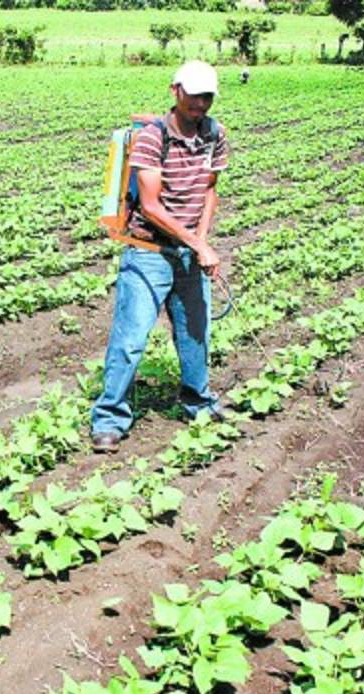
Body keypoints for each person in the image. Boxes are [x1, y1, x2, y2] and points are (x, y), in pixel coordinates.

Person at [90, 60, 230, 453]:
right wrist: (198, 244)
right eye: (194, 94)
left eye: (208, 96)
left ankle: (198, 402)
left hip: (187, 251)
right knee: (131, 338)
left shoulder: (215, 134)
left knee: (195, 335)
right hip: (148, 250)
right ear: (175, 90)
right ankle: (109, 419)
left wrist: (200, 240)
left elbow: (209, 190)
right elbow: (150, 206)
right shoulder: (153, 138)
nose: (201, 103)